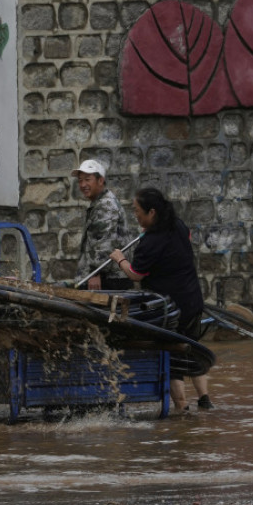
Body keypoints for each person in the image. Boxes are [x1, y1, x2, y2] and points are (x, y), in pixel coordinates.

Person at [107, 187, 214, 413]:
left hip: (171, 309)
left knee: (172, 357)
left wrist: (120, 259)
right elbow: (186, 239)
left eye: (137, 211)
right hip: (194, 300)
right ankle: (205, 400)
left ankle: (182, 409)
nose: (135, 215)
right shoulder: (179, 225)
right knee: (192, 349)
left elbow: (136, 274)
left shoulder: (150, 242)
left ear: (152, 212)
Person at [71, 159, 134, 290]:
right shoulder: (100, 203)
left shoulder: (105, 205)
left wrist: (95, 272)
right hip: (106, 277)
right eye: (80, 180)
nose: (83, 184)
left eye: (88, 179)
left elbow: (104, 243)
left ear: (100, 180)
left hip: (108, 279)